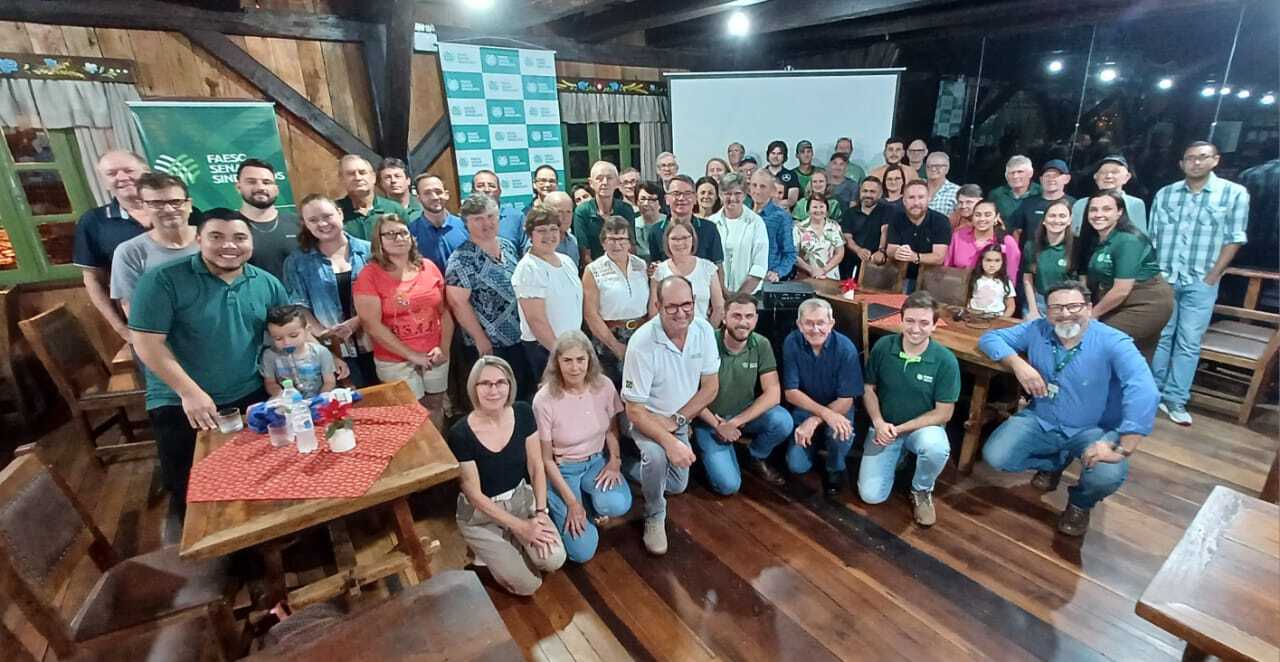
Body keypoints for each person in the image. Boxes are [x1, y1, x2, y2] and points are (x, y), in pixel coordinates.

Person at [129, 211, 289, 509]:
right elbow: (146, 343)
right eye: (217, 237)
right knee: (195, 494)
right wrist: (189, 392)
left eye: (239, 238)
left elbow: (289, 331)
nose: (229, 245)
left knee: (262, 479)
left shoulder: (266, 283)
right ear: (199, 239)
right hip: (181, 403)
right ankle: (212, 555)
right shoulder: (163, 281)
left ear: (251, 242)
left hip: (249, 394)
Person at [979, 281, 1158, 536]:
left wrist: (1125, 445)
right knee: (996, 456)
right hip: (1042, 418)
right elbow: (990, 337)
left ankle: (1080, 504)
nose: (1065, 314)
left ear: (1089, 308)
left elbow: (1144, 389)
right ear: (1047, 311)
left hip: (1094, 429)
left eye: (1073, 306)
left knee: (1106, 475)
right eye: (1056, 308)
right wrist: (1018, 364)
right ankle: (1055, 462)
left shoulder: (1114, 342)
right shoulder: (1037, 329)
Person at [1150, 141, 1250, 426]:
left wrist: (1213, 275)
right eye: (1189, 158)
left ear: (1215, 160)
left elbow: (1235, 238)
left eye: (1202, 157)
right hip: (1166, 277)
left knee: (1189, 342)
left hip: (1201, 279)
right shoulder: (1166, 194)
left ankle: (1176, 399)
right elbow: (1154, 237)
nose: (1195, 162)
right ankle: (1152, 392)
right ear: (1182, 163)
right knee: (1162, 337)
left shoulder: (1233, 194)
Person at [448, 356, 565, 595]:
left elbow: (536, 466)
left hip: (521, 500)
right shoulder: (460, 433)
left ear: (510, 385)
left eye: (501, 382)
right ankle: (491, 547)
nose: (494, 390)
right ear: (474, 388)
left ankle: (509, 544)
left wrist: (541, 513)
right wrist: (521, 527)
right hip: (482, 514)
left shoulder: (523, 413)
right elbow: (473, 494)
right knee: (528, 586)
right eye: (486, 384)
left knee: (554, 560)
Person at [621, 276, 720, 555]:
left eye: (687, 304)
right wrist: (668, 440)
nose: (681, 312)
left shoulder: (703, 330)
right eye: (672, 306)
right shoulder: (642, 343)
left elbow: (711, 387)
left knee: (677, 485)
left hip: (676, 418)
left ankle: (623, 467)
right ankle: (654, 515)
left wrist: (677, 421)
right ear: (658, 305)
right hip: (646, 417)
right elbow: (634, 411)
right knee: (656, 456)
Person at [858, 290, 959, 526]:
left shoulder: (945, 361)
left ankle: (922, 490)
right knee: (871, 496)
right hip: (884, 428)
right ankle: (899, 456)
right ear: (900, 320)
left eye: (924, 323)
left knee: (935, 447)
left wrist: (900, 428)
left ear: (935, 325)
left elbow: (944, 413)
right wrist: (878, 422)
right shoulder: (884, 346)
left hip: (920, 429)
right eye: (910, 321)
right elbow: (868, 388)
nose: (915, 329)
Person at [534, 331, 632, 563]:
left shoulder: (604, 386)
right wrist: (572, 503)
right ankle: (573, 504)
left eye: (581, 359)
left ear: (590, 360)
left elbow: (611, 429)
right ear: (556, 363)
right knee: (581, 552)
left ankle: (591, 504)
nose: (575, 367)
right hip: (562, 469)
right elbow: (546, 460)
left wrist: (615, 460)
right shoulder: (544, 399)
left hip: (596, 461)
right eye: (567, 360)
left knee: (617, 504)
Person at [354, 213, 453, 429]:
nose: (398, 238)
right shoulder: (369, 275)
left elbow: (445, 311)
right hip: (394, 359)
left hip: (434, 352)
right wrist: (411, 355)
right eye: (390, 234)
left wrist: (443, 347)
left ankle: (442, 456)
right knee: (412, 413)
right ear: (378, 241)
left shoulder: (428, 266)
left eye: (402, 233)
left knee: (436, 404)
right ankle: (422, 458)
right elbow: (371, 324)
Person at [693, 293, 792, 493]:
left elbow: (773, 393)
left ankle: (754, 455)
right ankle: (706, 453)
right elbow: (688, 395)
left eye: (749, 316)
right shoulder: (705, 343)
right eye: (736, 316)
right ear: (724, 318)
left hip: (742, 417)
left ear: (756, 319)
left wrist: (734, 423)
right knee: (728, 486)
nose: (743, 322)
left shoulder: (761, 343)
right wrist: (718, 425)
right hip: (708, 421)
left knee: (783, 421)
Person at [446, 194, 535, 401]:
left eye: (491, 216)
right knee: (497, 398)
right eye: (478, 219)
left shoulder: (507, 246)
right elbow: (458, 303)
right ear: (466, 223)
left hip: (519, 337)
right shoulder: (461, 259)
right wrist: (480, 339)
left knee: (521, 393)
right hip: (489, 343)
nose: (487, 223)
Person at [283, 194, 376, 387]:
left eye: (327, 216)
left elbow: (384, 294)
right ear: (305, 224)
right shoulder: (297, 261)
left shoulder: (369, 251)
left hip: (376, 341)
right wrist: (326, 335)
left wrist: (357, 321)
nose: (322, 224)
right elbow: (298, 307)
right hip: (332, 351)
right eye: (313, 220)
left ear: (340, 213)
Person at [1078, 190, 1174, 360]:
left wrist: (1092, 315)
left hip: (1147, 303)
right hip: (1117, 303)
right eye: (1093, 210)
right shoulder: (1097, 239)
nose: (1098, 214)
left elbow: (1121, 289)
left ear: (1119, 212)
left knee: (1098, 341)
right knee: (1134, 358)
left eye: (1106, 209)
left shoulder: (1128, 240)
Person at [782, 298, 864, 496]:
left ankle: (835, 467)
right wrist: (819, 416)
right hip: (805, 408)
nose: (815, 329)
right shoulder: (791, 342)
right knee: (796, 465)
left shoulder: (846, 349)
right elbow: (791, 392)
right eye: (809, 323)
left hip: (838, 409)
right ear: (799, 325)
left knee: (841, 432)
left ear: (831, 324)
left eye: (821, 323)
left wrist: (817, 419)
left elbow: (847, 399)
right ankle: (815, 444)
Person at [74, 150, 150, 343]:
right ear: (104, 182)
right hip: (144, 328)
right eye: (112, 173)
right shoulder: (93, 222)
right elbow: (93, 281)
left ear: (146, 172)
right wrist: (122, 331)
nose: (122, 177)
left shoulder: (180, 212)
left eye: (128, 170)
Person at [513, 203, 585, 381]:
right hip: (546, 350)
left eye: (553, 229)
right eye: (541, 230)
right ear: (530, 234)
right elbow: (536, 321)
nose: (549, 235)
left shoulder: (566, 261)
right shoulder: (528, 269)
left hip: (572, 346)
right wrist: (559, 355)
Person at [110, 172, 198, 315]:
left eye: (175, 202)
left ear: (189, 204)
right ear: (143, 207)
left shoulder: (215, 241)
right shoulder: (130, 252)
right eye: (156, 204)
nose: (168, 210)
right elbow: (132, 308)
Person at [203, 158, 302, 280]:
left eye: (266, 182)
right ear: (238, 187)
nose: (260, 187)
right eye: (251, 182)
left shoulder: (299, 223)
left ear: (276, 188)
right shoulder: (227, 228)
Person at [583, 217, 649, 388]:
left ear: (629, 243)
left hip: (641, 335)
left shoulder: (641, 265)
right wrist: (616, 346)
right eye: (611, 239)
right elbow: (591, 314)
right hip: (609, 338)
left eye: (621, 239)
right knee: (613, 390)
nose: (616, 244)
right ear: (603, 243)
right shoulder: (593, 270)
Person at [650, 220, 725, 326]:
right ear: (667, 241)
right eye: (675, 239)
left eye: (685, 238)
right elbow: (654, 312)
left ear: (693, 239)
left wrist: (707, 333)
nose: (680, 243)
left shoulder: (708, 268)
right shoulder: (659, 271)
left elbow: (719, 308)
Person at [260, 304, 337, 399]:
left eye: (293, 336)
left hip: (318, 399)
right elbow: (270, 383)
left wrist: (320, 398)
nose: (286, 342)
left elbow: (329, 382)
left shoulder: (321, 352)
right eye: (278, 338)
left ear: (307, 330)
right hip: (288, 404)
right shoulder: (270, 355)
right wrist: (281, 395)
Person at [708, 173, 768, 295]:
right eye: (727, 193)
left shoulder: (756, 223)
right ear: (720, 195)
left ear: (745, 195)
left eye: (737, 193)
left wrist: (740, 297)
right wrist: (721, 293)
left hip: (749, 296)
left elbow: (759, 266)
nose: (732, 198)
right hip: (716, 296)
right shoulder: (711, 223)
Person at [886, 180, 951, 291]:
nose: (916, 203)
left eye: (921, 197)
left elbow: (939, 257)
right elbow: (890, 250)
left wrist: (914, 257)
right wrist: (898, 252)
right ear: (904, 201)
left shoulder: (941, 221)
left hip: (930, 279)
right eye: (911, 198)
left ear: (929, 199)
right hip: (900, 276)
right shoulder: (896, 218)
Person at [646, 175, 725, 265]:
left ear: (695, 198)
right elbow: (655, 266)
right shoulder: (655, 231)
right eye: (676, 193)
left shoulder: (709, 228)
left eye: (687, 194)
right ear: (666, 199)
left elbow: (718, 266)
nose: (681, 198)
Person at [1022, 199, 1076, 320]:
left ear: (1069, 220)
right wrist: (1033, 310)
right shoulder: (1031, 246)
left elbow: (1082, 283)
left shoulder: (1077, 247)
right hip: (1039, 303)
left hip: (1067, 305)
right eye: (1052, 216)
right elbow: (1028, 279)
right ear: (1044, 220)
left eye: (1062, 216)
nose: (1057, 220)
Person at [573, 161, 636, 263]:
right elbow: (584, 253)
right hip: (594, 269)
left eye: (609, 178)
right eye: (599, 178)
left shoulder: (626, 209)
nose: (605, 182)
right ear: (591, 183)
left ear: (617, 182)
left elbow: (631, 246)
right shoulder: (582, 211)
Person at [336, 154, 409, 241]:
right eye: (351, 174)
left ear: (373, 177)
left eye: (362, 172)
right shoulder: (334, 212)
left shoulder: (395, 209)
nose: (358, 178)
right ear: (341, 179)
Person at [943, 200, 1020, 281]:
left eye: (987, 215)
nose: (982, 219)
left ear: (996, 217)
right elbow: (947, 267)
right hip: (959, 288)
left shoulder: (1007, 242)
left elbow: (1011, 276)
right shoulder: (958, 236)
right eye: (977, 215)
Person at [1070, 155, 1148, 234]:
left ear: (1127, 177)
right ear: (1095, 177)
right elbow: (1074, 235)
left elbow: (1140, 236)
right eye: (1104, 172)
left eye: (1115, 172)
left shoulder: (1135, 204)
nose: (1108, 176)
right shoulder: (1081, 204)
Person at [407, 173, 468, 273]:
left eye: (438, 192)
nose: (434, 197)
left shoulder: (466, 227)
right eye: (427, 193)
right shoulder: (410, 233)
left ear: (446, 195)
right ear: (418, 199)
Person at [1006, 159, 1074, 245]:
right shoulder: (1028, 203)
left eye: (1056, 175)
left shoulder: (1074, 204)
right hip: (1031, 255)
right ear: (1041, 180)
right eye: (1047, 175)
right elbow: (1016, 230)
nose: (1051, 179)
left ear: (1067, 179)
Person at [748, 169, 797, 282]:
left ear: (772, 190)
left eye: (763, 186)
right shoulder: (743, 213)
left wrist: (777, 272)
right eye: (754, 185)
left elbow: (789, 254)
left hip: (767, 279)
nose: (757, 190)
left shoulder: (781, 217)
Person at [840, 176, 891, 279]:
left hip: (876, 264)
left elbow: (885, 231)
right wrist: (859, 250)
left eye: (872, 192)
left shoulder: (888, 211)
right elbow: (847, 238)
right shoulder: (849, 213)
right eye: (865, 191)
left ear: (880, 194)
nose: (868, 195)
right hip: (850, 263)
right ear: (860, 192)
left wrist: (881, 251)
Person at [471, 169, 527, 253]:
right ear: (473, 191)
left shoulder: (516, 217)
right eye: (480, 186)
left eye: (492, 186)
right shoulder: (465, 221)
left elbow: (527, 251)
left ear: (499, 191)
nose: (486, 189)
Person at [523, 191, 581, 270]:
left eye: (568, 212)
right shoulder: (538, 244)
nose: (565, 217)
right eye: (560, 212)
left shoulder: (573, 241)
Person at [792, 193, 844, 280]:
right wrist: (811, 270)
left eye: (821, 207)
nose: (818, 210)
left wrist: (824, 270)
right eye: (815, 207)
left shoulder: (834, 226)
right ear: (808, 210)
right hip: (806, 277)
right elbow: (793, 254)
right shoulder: (799, 228)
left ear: (827, 210)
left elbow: (840, 252)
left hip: (830, 276)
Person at [966, 245, 1015, 316]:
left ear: (1002, 262)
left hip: (996, 318)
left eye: (997, 261)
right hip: (974, 316)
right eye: (988, 260)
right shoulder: (974, 278)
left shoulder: (1005, 282)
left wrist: (1002, 320)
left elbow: (1011, 306)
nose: (992, 265)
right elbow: (967, 299)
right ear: (981, 261)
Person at [989, 155, 1041, 222]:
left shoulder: (1041, 192)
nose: (1015, 176)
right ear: (1006, 176)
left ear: (1030, 173)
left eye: (1020, 172)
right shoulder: (996, 195)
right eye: (1012, 173)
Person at [633, 181, 666, 262]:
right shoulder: (631, 225)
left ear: (660, 203)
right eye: (643, 199)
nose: (646, 203)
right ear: (637, 202)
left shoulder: (668, 224)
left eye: (651, 199)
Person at [764, 140, 801, 210]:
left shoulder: (792, 175)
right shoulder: (760, 174)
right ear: (768, 155)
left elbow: (792, 200)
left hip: (784, 212)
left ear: (784, 156)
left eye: (779, 154)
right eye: (773, 153)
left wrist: (772, 205)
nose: (775, 156)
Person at [925, 152, 961, 216]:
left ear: (947, 169)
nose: (933, 169)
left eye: (938, 166)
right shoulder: (918, 188)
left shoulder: (957, 191)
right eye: (929, 166)